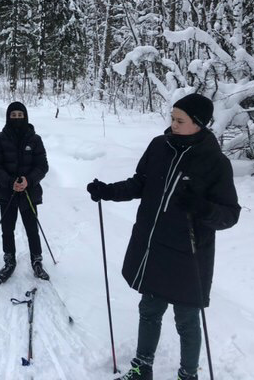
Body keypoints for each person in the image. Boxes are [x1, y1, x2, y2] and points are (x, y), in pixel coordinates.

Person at [87, 94, 240, 380]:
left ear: (199, 124)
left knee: (187, 319)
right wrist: (108, 191)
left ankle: (188, 374)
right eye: (172, 117)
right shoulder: (159, 146)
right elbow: (141, 184)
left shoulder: (215, 162)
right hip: (153, 246)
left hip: (189, 253)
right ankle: (142, 367)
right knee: (149, 309)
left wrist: (203, 207)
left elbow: (230, 214)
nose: (173, 124)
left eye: (180, 120)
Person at [0, 101, 50, 283]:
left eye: (19, 115)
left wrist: (28, 180)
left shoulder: (35, 139)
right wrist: (9, 181)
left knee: (32, 228)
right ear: (8, 117)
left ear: (25, 116)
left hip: (29, 191)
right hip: (7, 192)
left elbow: (42, 166)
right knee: (8, 229)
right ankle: (9, 259)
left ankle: (37, 260)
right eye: (13, 115)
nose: (16, 118)